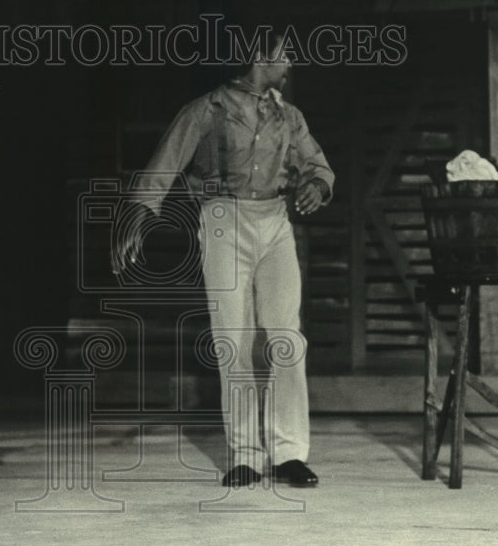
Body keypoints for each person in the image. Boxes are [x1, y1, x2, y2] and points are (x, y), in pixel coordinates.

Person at [113, 27, 334, 488]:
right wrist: (137, 215)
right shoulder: (206, 110)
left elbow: (317, 165)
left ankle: (289, 453)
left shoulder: (289, 117)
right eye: (284, 54)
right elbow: (164, 165)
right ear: (259, 55)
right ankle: (245, 455)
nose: (291, 63)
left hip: (274, 220)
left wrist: (316, 184)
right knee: (232, 340)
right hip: (222, 220)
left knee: (287, 337)